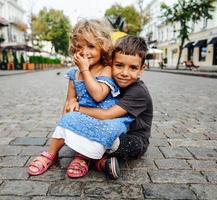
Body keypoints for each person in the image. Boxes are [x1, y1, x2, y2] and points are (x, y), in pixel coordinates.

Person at [27, 19, 134, 179]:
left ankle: (83, 157)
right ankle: (51, 154)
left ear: (102, 47)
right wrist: (69, 109)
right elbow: (70, 100)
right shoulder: (73, 74)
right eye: (79, 47)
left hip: (103, 118)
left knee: (107, 131)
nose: (84, 52)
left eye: (91, 46)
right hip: (82, 116)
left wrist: (84, 69)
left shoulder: (105, 70)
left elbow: (98, 95)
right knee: (67, 119)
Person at [78, 35, 153, 178]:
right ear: (111, 63)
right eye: (119, 65)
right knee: (94, 132)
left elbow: (106, 114)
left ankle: (96, 158)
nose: (124, 73)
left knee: (113, 139)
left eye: (133, 68)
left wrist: (77, 109)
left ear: (141, 69)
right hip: (113, 128)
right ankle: (102, 162)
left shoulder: (138, 92)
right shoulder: (111, 81)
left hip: (133, 138)